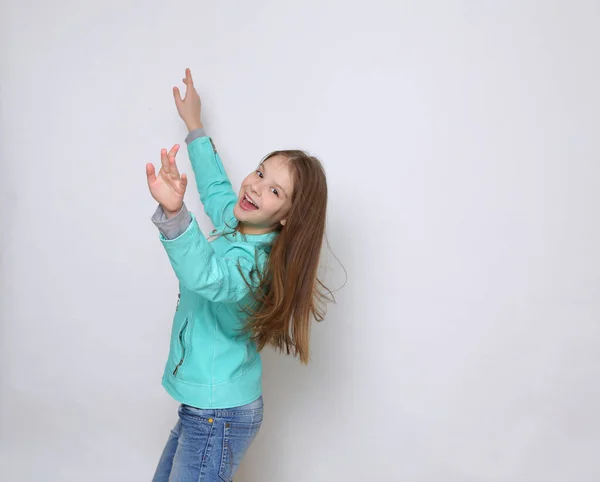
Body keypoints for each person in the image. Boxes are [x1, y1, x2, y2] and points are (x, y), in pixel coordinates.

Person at [146, 68, 331, 481]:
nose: (255, 187)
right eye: (261, 172)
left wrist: (175, 215)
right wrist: (194, 127)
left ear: (287, 218)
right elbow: (215, 189)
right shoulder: (238, 223)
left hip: (218, 414)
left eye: (275, 191)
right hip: (204, 409)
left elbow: (209, 275)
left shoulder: (255, 265)